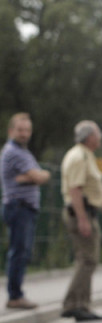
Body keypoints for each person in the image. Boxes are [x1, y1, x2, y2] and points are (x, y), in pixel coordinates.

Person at [60, 120, 102, 322]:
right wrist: (82, 219)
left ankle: (82, 304)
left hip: (87, 211)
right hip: (81, 213)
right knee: (87, 260)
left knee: (87, 260)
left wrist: (101, 199)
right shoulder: (79, 156)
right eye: (98, 134)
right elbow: (75, 190)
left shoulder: (85, 155)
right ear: (89, 137)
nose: (100, 138)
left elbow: (86, 185)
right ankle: (74, 304)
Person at [1, 112, 50, 310]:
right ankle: (15, 296)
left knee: (23, 251)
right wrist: (35, 176)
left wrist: (31, 176)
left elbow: (41, 175)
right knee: (19, 252)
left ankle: (17, 293)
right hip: (18, 207)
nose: (24, 134)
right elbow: (39, 177)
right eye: (20, 130)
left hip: (24, 208)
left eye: (27, 130)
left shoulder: (24, 152)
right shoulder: (14, 152)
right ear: (11, 130)